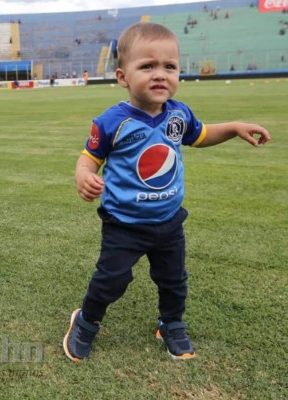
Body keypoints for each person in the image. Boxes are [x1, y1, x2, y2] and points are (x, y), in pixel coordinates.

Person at [63, 22, 270, 362]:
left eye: (169, 67)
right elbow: (89, 158)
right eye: (147, 66)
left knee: (173, 279)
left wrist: (233, 128)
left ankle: (171, 323)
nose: (160, 74)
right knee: (111, 280)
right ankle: (86, 320)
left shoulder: (179, 114)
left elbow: (201, 136)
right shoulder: (111, 122)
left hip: (169, 221)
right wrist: (83, 175)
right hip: (124, 223)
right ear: (122, 76)